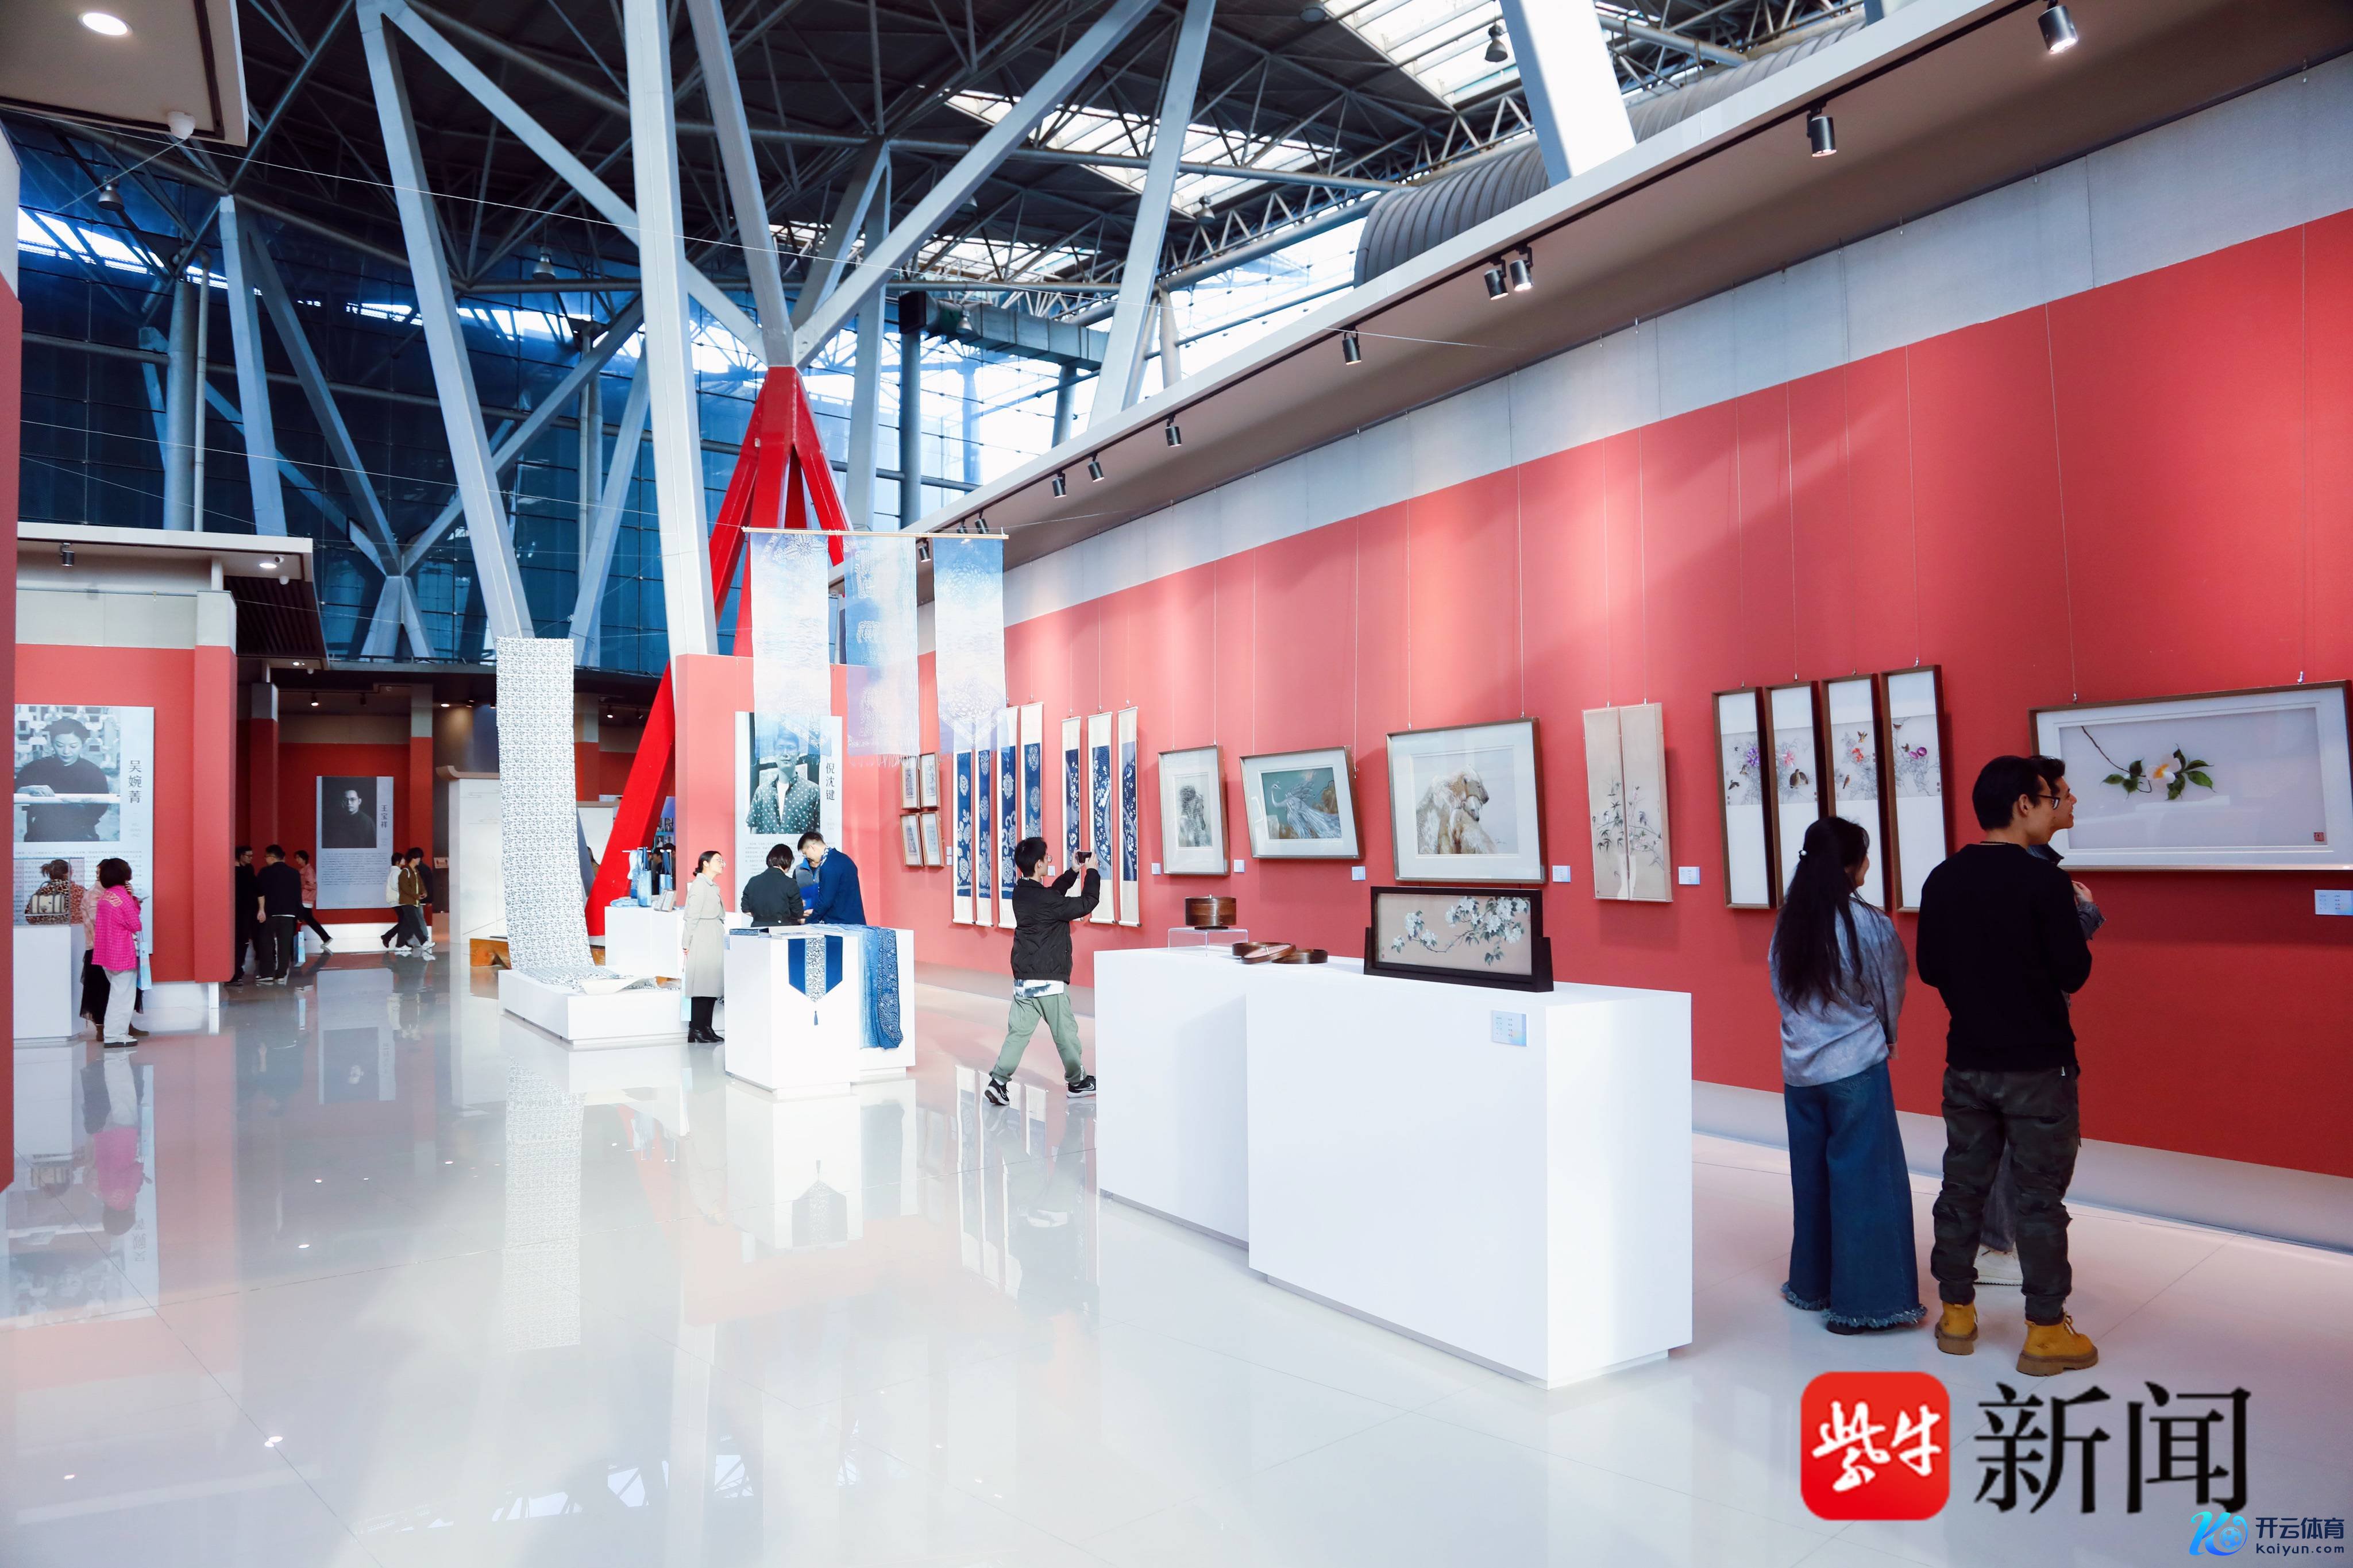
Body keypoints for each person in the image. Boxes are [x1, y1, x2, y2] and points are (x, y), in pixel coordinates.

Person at [1916, 755, 2097, 1377]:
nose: (2056, 808)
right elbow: (2073, 971)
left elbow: (1931, 969)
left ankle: (1956, 1314)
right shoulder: (2043, 883)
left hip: (1968, 1059)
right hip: (2039, 1065)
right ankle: (2044, 1332)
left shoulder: (1943, 877)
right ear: (2023, 804)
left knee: (1961, 1189)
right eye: (2050, 799)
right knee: (2039, 1201)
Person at [1769, 817, 1923, 1335]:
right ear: (1851, 866)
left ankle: (1812, 1286)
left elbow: (1782, 991)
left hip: (1800, 1069)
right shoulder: (1867, 923)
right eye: (1865, 856)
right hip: (1856, 1064)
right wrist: (1888, 1035)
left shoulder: (1790, 921)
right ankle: (1867, 1305)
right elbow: (1889, 986)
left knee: (1812, 1181)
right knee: (1868, 1186)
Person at [1974, 755, 2103, 1289]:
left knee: (2006, 1143)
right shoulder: (2035, 875)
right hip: (2030, 1037)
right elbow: (2058, 963)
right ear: (2027, 803)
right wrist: (2086, 915)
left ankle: (1995, 1245)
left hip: (1995, 1034)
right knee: (2030, 1147)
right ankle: (2000, 1247)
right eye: (2060, 795)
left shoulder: (2026, 868)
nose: (2068, 803)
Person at [985, 837, 1100, 1107]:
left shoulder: (1021, 893)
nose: (1049, 860)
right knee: (1066, 1034)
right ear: (1038, 864)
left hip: (1024, 981)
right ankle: (1078, 1082)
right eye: (1047, 858)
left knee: (1017, 1035)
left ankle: (998, 1081)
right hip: (1049, 982)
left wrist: (1073, 872)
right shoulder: (1047, 901)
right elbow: (1087, 902)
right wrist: (1092, 871)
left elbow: (1052, 895)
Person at [16, 716, 111, 840]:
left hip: (82, 832)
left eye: (73, 746)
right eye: (60, 745)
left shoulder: (93, 772)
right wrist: (27, 789)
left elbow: (100, 807)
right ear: (52, 743)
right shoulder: (37, 767)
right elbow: (11, 790)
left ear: (83, 745)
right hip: (42, 833)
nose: (66, 751)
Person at [91, 858, 146, 1046]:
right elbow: (135, 924)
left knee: (116, 994)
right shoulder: (123, 897)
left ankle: (114, 1033)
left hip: (106, 953)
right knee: (123, 997)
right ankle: (115, 1035)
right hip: (123, 953)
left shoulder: (105, 897)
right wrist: (134, 901)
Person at [682, 849, 728, 1042]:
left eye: (722, 860)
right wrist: (686, 942)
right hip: (703, 936)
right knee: (703, 983)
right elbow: (691, 917)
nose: (722, 863)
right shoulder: (700, 886)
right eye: (718, 860)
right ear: (705, 863)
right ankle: (696, 1028)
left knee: (712, 982)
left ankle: (706, 1027)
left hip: (712, 935)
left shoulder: (710, 885)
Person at [256, 845, 306, 983]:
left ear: (272, 857)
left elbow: (259, 892)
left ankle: (267, 973)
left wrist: (261, 910)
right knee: (285, 945)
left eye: (266, 857)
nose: (265, 860)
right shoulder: (294, 873)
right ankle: (281, 974)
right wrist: (300, 915)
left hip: (270, 913)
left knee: (266, 943)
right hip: (289, 914)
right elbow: (298, 895)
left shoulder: (265, 872)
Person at [799, 831, 865, 924]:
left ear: (812, 847)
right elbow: (839, 897)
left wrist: (809, 920)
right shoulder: (844, 859)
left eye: (805, 854)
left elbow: (825, 901)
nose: (807, 858)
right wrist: (815, 912)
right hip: (854, 921)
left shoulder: (828, 866)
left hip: (840, 926)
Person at [739, 843, 804, 929]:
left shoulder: (753, 881)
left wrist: (761, 918)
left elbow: (745, 909)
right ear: (788, 862)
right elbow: (798, 913)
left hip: (758, 929)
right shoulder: (790, 883)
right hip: (783, 930)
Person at [232, 846, 263, 983]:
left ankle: (237, 971)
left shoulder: (249, 870)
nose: (251, 858)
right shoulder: (233, 871)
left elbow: (258, 890)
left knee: (243, 942)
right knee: (239, 941)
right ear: (240, 855)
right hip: (237, 911)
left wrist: (260, 909)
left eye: (252, 856)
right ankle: (235, 971)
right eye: (248, 856)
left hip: (247, 911)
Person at [291, 849, 334, 949]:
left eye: (298, 858)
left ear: (304, 858)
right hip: (305, 899)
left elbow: (312, 885)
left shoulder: (308, 871)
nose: (297, 860)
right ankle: (324, 938)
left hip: (306, 899)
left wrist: (302, 886)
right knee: (307, 919)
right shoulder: (304, 870)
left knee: (304, 919)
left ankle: (324, 937)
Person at [394, 848, 433, 958]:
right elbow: (405, 888)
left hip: (414, 901)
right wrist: (416, 896)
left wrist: (424, 892)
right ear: (414, 859)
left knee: (406, 925)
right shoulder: (405, 872)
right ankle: (424, 942)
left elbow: (420, 884)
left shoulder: (416, 872)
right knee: (415, 923)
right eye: (419, 858)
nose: (420, 860)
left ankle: (399, 945)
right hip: (407, 902)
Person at [24, 858, 80, 924]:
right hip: (71, 928)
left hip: (44, 929)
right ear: (67, 874)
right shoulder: (77, 891)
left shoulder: (42, 892)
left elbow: (30, 916)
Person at [321, 783, 375, 848]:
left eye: (353, 799)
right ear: (342, 802)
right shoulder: (335, 821)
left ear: (359, 801)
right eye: (345, 800)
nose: (349, 803)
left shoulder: (367, 821)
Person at [379, 851, 406, 949]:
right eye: (403, 859)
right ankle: (388, 936)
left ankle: (402, 941)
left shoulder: (396, 872)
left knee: (403, 921)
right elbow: (396, 886)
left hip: (398, 900)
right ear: (398, 861)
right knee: (405, 921)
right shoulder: (396, 872)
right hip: (398, 901)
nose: (404, 860)